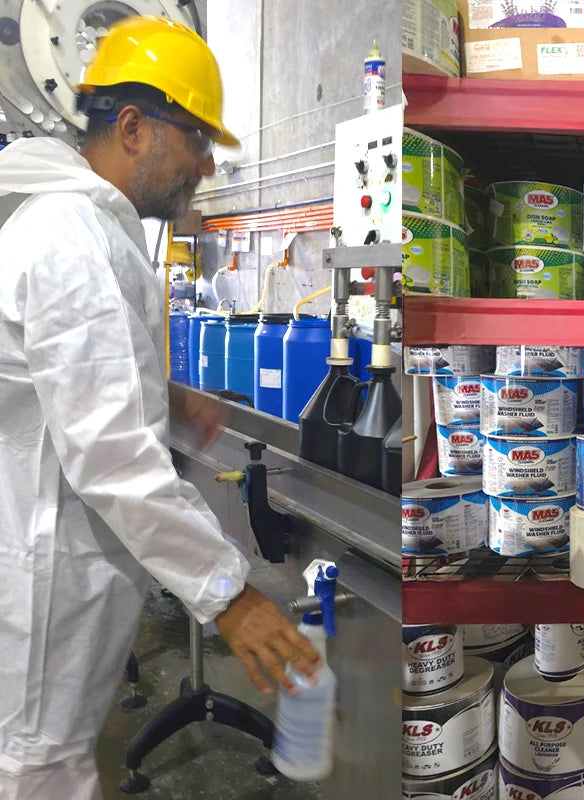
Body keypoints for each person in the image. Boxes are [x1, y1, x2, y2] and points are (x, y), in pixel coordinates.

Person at [0, 16, 320, 799]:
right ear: (135, 129)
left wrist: (167, 398)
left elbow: (65, 379)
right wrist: (230, 595)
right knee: (39, 768)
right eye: (196, 139)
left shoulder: (88, 231)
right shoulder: (69, 237)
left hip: (64, 566)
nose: (207, 165)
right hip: (44, 582)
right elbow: (112, 456)